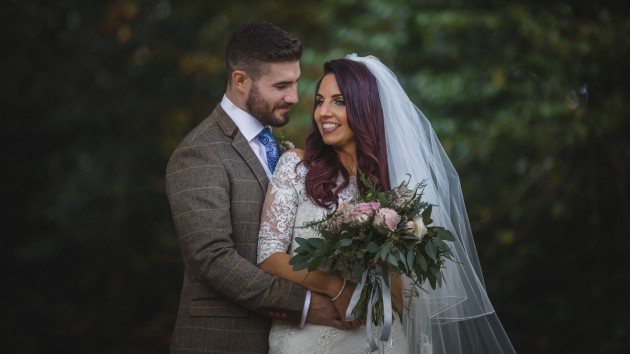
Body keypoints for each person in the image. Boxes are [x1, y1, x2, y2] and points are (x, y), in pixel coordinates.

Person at [257, 54, 517, 353]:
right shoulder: (297, 166)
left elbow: (404, 300)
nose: (323, 112)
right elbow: (268, 257)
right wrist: (337, 288)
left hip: (378, 337)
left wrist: (384, 250)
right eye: (319, 101)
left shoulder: (397, 193)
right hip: (307, 337)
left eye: (339, 101)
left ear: (365, 108)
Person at [165, 21, 352, 354]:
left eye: (295, 83)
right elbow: (212, 259)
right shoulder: (200, 152)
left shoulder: (282, 150)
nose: (294, 97)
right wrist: (308, 304)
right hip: (224, 341)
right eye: (281, 85)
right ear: (241, 80)